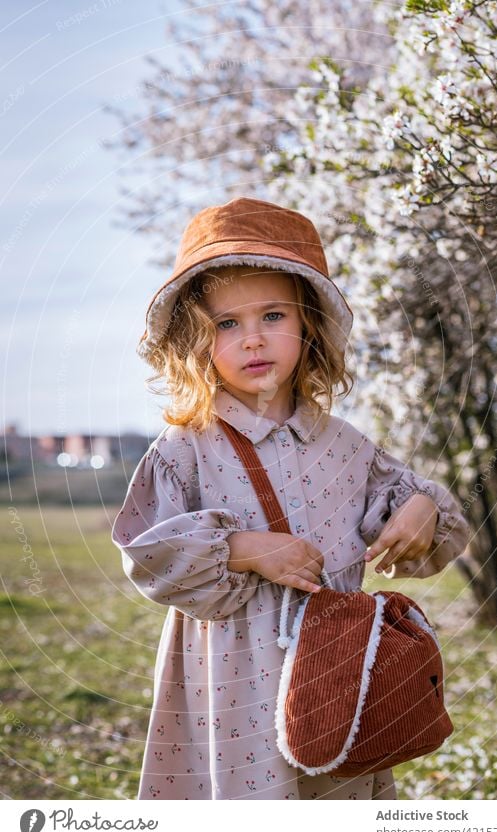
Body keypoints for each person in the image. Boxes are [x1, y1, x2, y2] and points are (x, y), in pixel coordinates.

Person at [111, 197, 470, 800]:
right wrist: (241, 548)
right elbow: (147, 552)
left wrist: (423, 508)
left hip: (338, 675)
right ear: (196, 341)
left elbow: (425, 524)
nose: (252, 339)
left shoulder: (348, 447)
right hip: (230, 683)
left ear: (308, 325)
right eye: (226, 324)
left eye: (272, 315)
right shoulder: (184, 449)